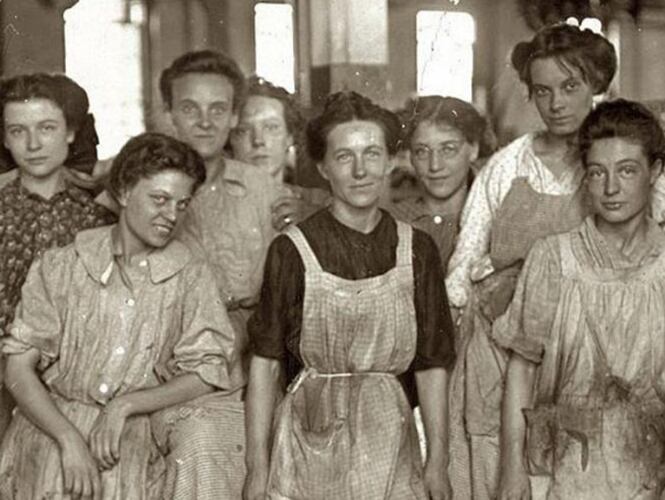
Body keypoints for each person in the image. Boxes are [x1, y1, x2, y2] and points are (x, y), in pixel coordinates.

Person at [0, 132, 240, 499]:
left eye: (182, 203)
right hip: (51, 428)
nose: (171, 215)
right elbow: (18, 369)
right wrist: (67, 439)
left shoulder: (191, 274)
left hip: (136, 434)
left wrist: (125, 405)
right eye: (159, 199)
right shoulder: (62, 265)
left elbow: (207, 372)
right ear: (125, 192)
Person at [244, 91, 456, 500]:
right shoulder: (291, 250)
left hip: (390, 439)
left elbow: (432, 366)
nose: (361, 171)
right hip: (310, 438)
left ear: (392, 162)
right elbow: (266, 365)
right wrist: (257, 469)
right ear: (323, 167)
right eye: (344, 157)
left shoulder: (418, 249)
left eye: (372, 153)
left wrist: (438, 464)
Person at [442, 24, 618, 499]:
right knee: (501, 475)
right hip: (500, 354)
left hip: (587, 355)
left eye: (570, 87)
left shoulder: (617, 166)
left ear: (598, 85)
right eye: (543, 91)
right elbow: (465, 259)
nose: (557, 103)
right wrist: (475, 292)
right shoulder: (507, 165)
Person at [496, 99, 665, 499]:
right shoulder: (554, 257)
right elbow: (522, 369)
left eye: (627, 171)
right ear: (584, 178)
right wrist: (510, 470)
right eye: (597, 172)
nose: (611, 188)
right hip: (567, 470)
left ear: (655, 171)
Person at [152, 50, 279, 499]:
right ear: (168, 114)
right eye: (189, 109)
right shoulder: (140, 190)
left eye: (218, 109)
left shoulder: (263, 190)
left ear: (234, 117)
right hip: (167, 368)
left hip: (253, 364)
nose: (205, 122)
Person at [0, 73, 115, 436]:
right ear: (5, 138)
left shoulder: (101, 210)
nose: (33, 144)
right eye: (18, 131)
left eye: (46, 128)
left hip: (76, 372)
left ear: (70, 131)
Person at [229, 75, 330, 230]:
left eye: (271, 127)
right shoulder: (212, 204)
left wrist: (315, 220)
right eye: (244, 130)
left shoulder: (320, 203)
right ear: (231, 139)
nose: (258, 141)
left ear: (290, 136)